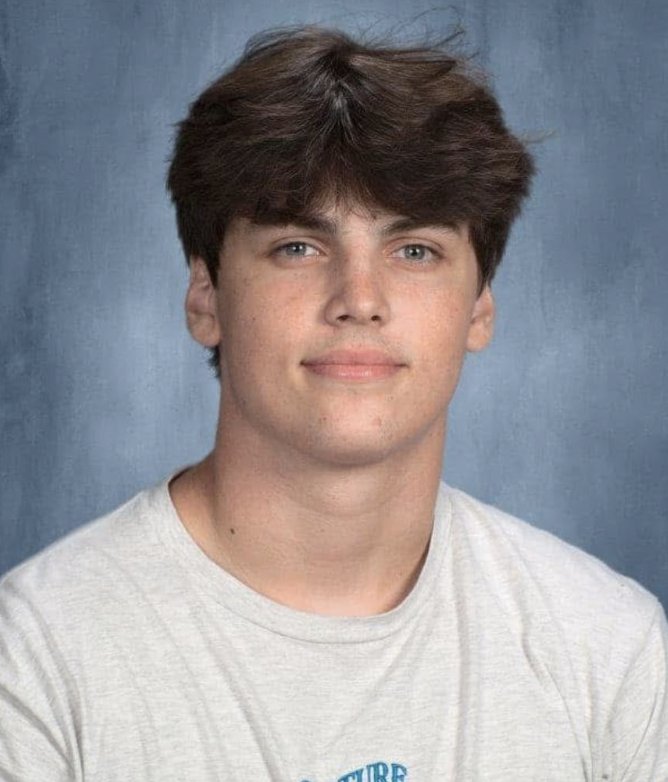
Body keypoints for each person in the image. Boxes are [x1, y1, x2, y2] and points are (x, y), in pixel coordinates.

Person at [0, 25, 666, 782]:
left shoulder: (608, 650)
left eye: (414, 250)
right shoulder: (34, 664)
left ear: (479, 307)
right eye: (298, 247)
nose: (359, 299)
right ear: (206, 295)